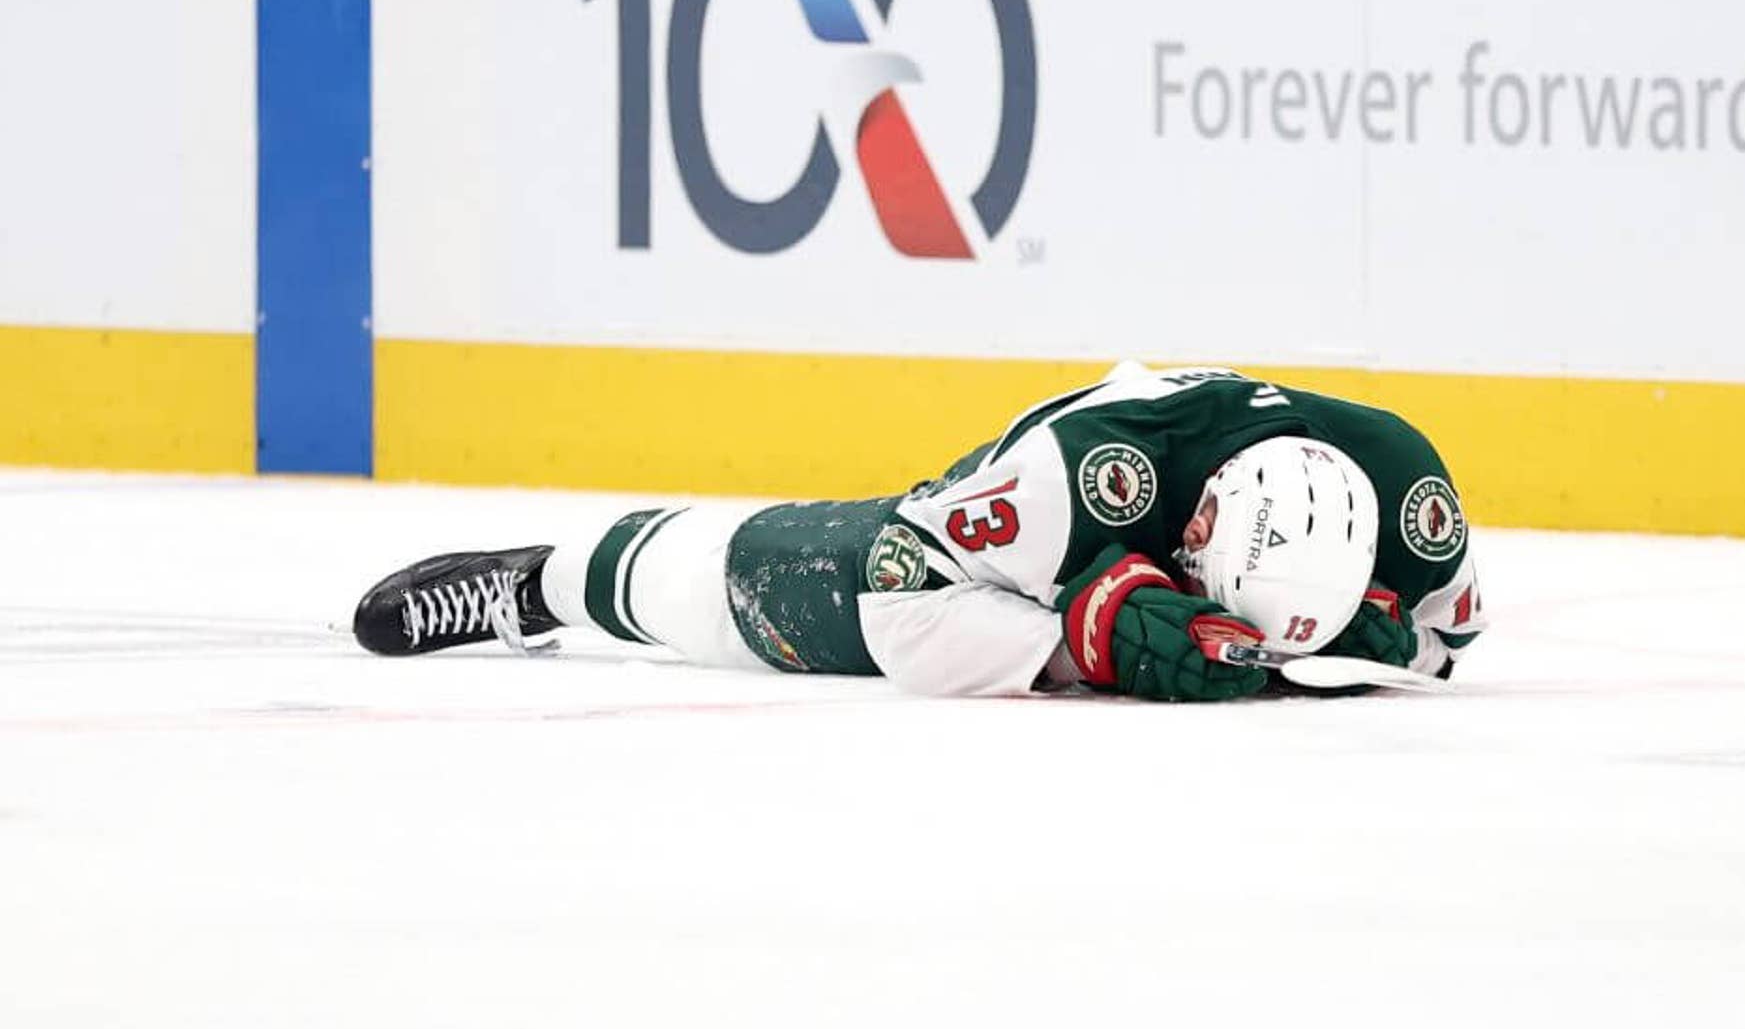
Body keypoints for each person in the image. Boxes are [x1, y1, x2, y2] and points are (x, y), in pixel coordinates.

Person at [352, 363, 1486, 701]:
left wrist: (1378, 646)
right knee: (764, 588)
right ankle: (540, 582)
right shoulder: (1080, 478)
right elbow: (901, 594)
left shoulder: (1408, 500)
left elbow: (1448, 641)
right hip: (976, 553)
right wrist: (1073, 643)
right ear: (1197, 522)